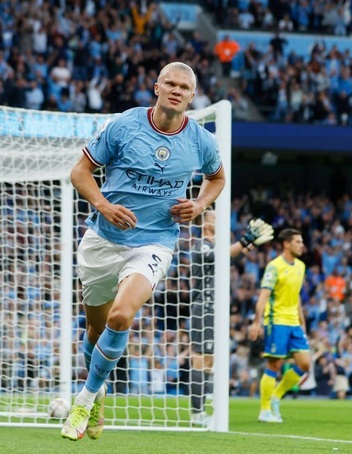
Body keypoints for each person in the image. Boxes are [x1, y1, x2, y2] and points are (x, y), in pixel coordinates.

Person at [61, 61, 226, 441]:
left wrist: (200, 205)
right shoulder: (124, 124)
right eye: (170, 82)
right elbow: (79, 172)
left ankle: (84, 400)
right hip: (102, 239)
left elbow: (217, 178)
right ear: (156, 87)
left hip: (155, 242)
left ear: (192, 96)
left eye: (184, 87)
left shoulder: (201, 141)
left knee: (121, 315)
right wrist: (104, 205)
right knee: (95, 328)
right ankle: (98, 394)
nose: (176, 90)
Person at [189, 210, 274, 426]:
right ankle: (197, 413)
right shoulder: (201, 245)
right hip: (204, 308)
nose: (221, 222)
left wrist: (250, 245)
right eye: (216, 218)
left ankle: (202, 409)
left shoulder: (217, 248)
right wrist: (247, 239)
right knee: (201, 360)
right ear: (207, 225)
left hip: (215, 309)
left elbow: (230, 259)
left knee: (210, 362)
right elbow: (220, 257)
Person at [249, 228, 311, 423]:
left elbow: (297, 296)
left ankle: (276, 396)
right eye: (298, 242)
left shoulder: (300, 266)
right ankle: (264, 410)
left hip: (293, 322)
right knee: (274, 365)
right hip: (276, 321)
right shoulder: (274, 267)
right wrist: (257, 321)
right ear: (287, 244)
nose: (302, 245)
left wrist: (302, 321)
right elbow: (264, 296)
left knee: (305, 363)